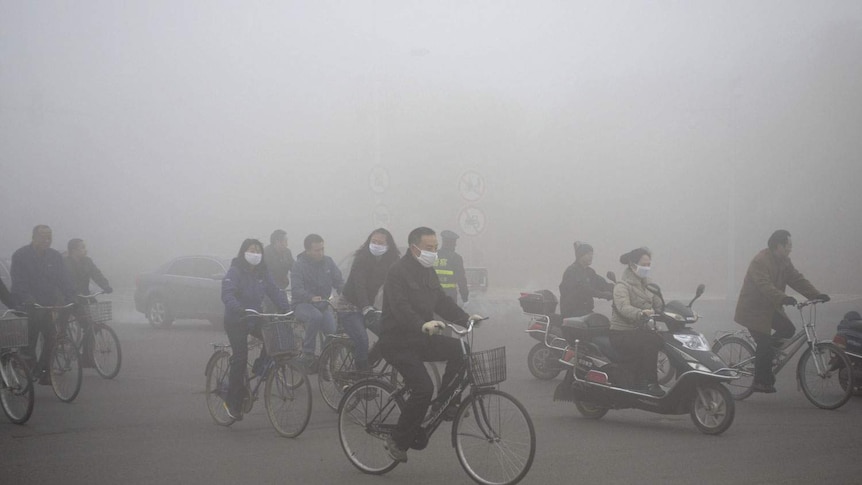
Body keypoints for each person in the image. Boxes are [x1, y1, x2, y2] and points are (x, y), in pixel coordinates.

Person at [377, 227, 483, 463]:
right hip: (397, 341)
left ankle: (444, 405)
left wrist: (466, 318)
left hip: (421, 338)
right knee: (422, 388)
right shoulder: (397, 272)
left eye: (435, 248)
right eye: (429, 248)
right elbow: (401, 308)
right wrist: (422, 324)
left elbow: (442, 302)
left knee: (460, 350)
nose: (433, 252)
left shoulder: (428, 271)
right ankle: (397, 440)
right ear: (414, 248)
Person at [734, 230, 829, 393]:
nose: (790, 249)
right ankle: (760, 380)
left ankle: (766, 357)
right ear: (778, 246)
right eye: (788, 246)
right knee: (763, 342)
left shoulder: (784, 261)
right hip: (753, 310)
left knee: (788, 329)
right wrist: (784, 298)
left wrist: (816, 294)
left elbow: (797, 279)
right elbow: (764, 286)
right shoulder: (760, 261)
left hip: (769, 307)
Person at [221, 238, 291, 420]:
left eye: (259, 251)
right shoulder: (235, 271)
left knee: (274, 341)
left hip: (255, 317)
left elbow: (274, 291)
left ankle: (260, 370)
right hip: (236, 320)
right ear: (244, 252)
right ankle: (232, 402)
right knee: (240, 357)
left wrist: (287, 308)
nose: (256, 254)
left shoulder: (262, 272)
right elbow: (227, 293)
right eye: (252, 250)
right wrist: (238, 308)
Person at [10, 225, 75, 384]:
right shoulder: (21, 255)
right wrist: (28, 298)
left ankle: (44, 370)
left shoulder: (54, 256)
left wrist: (71, 296)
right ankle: (25, 363)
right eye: (43, 236)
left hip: (47, 304)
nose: (47, 240)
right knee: (29, 341)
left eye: (49, 236)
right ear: (33, 238)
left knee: (52, 337)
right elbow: (18, 281)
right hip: (27, 304)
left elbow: (63, 278)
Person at [336, 228, 400, 370]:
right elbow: (360, 285)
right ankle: (360, 375)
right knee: (362, 340)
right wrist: (366, 307)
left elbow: (395, 286)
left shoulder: (390, 262)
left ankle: (367, 362)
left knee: (389, 334)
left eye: (380, 242)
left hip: (368, 307)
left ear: (388, 245)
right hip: (349, 306)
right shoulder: (361, 259)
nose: (376, 245)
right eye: (374, 241)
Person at [609, 247, 665, 397]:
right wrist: (640, 313)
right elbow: (623, 307)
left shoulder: (649, 284)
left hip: (639, 330)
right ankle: (650, 383)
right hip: (622, 332)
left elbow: (659, 305)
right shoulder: (622, 285)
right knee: (650, 342)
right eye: (644, 265)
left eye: (648, 264)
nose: (647, 268)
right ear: (633, 265)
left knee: (665, 338)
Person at [291, 234, 344, 369]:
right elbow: (296, 289)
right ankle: (307, 354)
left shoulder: (328, 262)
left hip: (322, 305)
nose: (320, 253)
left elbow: (338, 281)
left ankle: (324, 362)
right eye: (317, 250)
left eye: (322, 249)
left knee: (333, 334)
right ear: (307, 250)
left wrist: (344, 294)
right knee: (315, 317)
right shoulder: (298, 265)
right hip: (302, 304)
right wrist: (310, 297)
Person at [64, 238, 113, 367]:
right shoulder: (65, 263)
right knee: (65, 326)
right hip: (69, 298)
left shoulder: (87, 261)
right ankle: (62, 347)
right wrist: (71, 293)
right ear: (74, 250)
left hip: (85, 296)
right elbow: (63, 281)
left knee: (93, 325)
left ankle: (86, 356)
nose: (85, 250)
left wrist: (105, 286)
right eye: (82, 247)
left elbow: (97, 274)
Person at [559, 241, 614, 318]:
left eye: (592, 254)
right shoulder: (572, 271)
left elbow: (601, 284)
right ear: (580, 256)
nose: (591, 257)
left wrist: (618, 288)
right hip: (572, 313)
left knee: (601, 323)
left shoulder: (589, 272)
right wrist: (603, 295)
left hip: (586, 311)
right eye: (588, 254)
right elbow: (583, 289)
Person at [434, 230, 469, 305]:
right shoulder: (456, 258)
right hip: (449, 297)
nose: (455, 245)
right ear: (450, 243)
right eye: (454, 242)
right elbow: (461, 280)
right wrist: (465, 298)